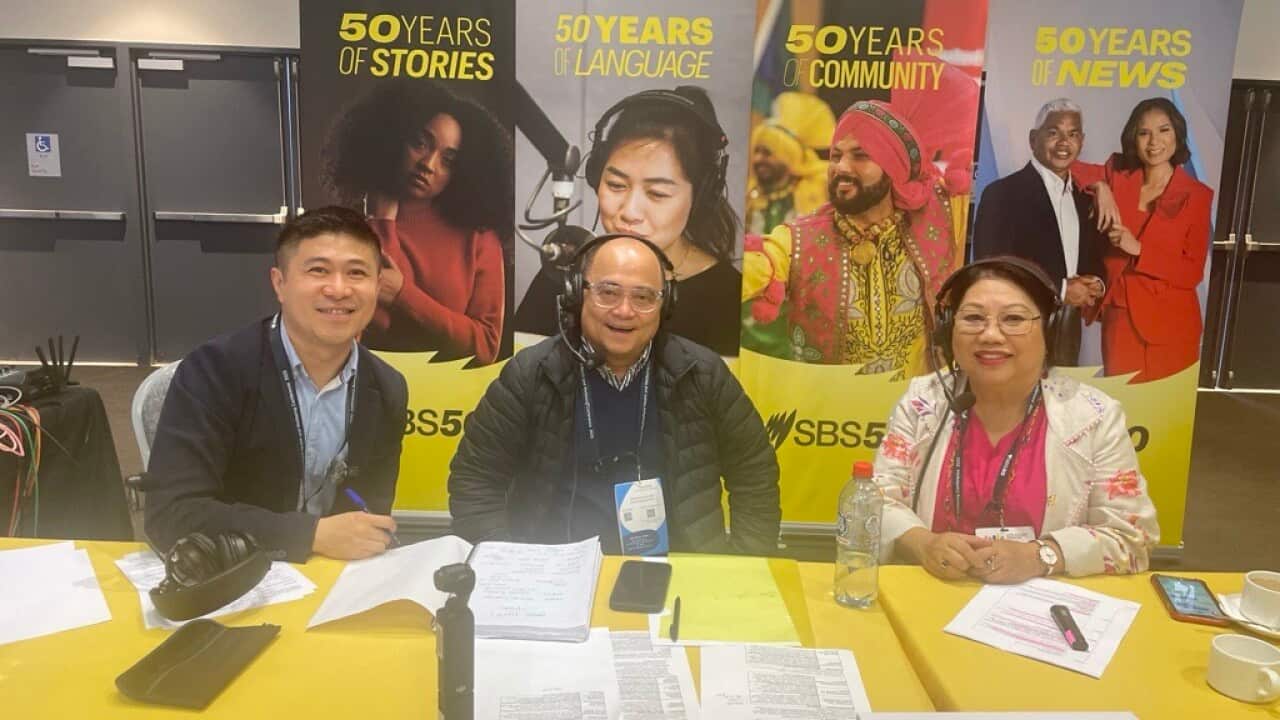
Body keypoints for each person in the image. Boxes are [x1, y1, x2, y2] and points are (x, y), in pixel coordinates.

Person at [452, 234, 780, 555]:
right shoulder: (532, 372)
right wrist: (509, 564)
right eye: (608, 292)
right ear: (575, 294)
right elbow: (476, 479)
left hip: (678, 572)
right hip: (554, 571)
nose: (624, 311)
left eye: (643, 297)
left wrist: (744, 564)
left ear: (665, 305)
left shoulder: (701, 373)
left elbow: (754, 472)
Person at [144, 207, 409, 562]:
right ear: (280, 284)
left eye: (357, 273)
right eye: (318, 270)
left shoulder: (387, 387)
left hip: (331, 576)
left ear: (377, 287)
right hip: (232, 571)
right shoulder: (215, 370)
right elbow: (171, 514)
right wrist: (310, 535)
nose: (338, 289)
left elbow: (367, 513)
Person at [872, 257, 1159, 582]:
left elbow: (1132, 538)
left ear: (1050, 331)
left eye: (1013, 319)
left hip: (1041, 614)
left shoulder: (1094, 416)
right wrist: (923, 544)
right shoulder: (922, 402)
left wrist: (1043, 556)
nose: (991, 334)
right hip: (934, 598)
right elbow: (875, 501)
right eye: (973, 318)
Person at [515, 86, 743, 357]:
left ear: (701, 196)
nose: (630, 212)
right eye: (616, 185)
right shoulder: (564, 269)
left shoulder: (729, 297)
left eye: (657, 193)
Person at [741, 100, 963, 377]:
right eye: (836, 156)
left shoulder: (943, 216)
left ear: (894, 166)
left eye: (860, 156)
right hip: (825, 413)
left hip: (916, 413)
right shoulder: (798, 239)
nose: (841, 167)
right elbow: (756, 265)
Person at [321, 80, 512, 365]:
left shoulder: (479, 238)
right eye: (420, 143)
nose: (429, 164)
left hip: (448, 399)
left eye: (448, 160)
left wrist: (403, 294)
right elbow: (373, 323)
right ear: (394, 138)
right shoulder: (349, 227)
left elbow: (486, 345)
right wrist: (383, 220)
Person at [1071, 98, 1214, 382]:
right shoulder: (1118, 173)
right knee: (1125, 410)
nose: (1154, 142)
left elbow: (1191, 272)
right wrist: (1100, 187)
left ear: (1177, 134)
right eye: (1144, 132)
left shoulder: (1197, 195)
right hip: (1120, 317)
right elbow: (1066, 165)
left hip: (1172, 323)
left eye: (1164, 130)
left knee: (1166, 415)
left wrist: (1138, 249)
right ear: (1133, 138)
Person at [971, 98, 1107, 366]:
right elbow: (990, 267)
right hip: (1016, 326)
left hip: (1068, 328)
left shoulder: (1085, 199)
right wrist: (1062, 288)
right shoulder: (1002, 194)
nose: (1064, 143)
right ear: (1034, 139)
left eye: (1073, 134)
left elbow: (1094, 257)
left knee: (1057, 404)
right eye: (1054, 133)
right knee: (1015, 404)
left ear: (1082, 141)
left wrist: (1097, 283)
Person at [744, 92, 834, 235]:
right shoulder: (750, 196)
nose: (758, 159)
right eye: (756, 151)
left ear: (788, 156)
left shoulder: (821, 189)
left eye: (767, 153)